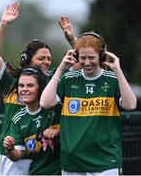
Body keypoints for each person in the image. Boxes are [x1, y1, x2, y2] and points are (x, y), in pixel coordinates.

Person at [40, 31, 137, 175]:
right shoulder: (69, 79)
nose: (86, 62)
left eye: (91, 57)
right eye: (82, 58)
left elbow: (130, 105)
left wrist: (118, 71)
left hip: (106, 161)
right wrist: (60, 69)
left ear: (101, 56)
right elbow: (45, 103)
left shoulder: (111, 79)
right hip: (72, 162)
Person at [0, 2, 57, 175]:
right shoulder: (12, 80)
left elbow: (82, 61)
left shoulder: (53, 79)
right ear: (27, 59)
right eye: (41, 58)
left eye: (49, 58)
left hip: (43, 153)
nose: (46, 62)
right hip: (13, 152)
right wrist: (3, 25)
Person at [3, 67, 61, 175]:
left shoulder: (56, 106)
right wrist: (10, 149)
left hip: (64, 171)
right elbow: (17, 155)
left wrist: (58, 132)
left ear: (40, 87)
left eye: (30, 85)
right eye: (21, 86)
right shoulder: (18, 119)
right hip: (37, 172)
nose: (24, 89)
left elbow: (76, 128)